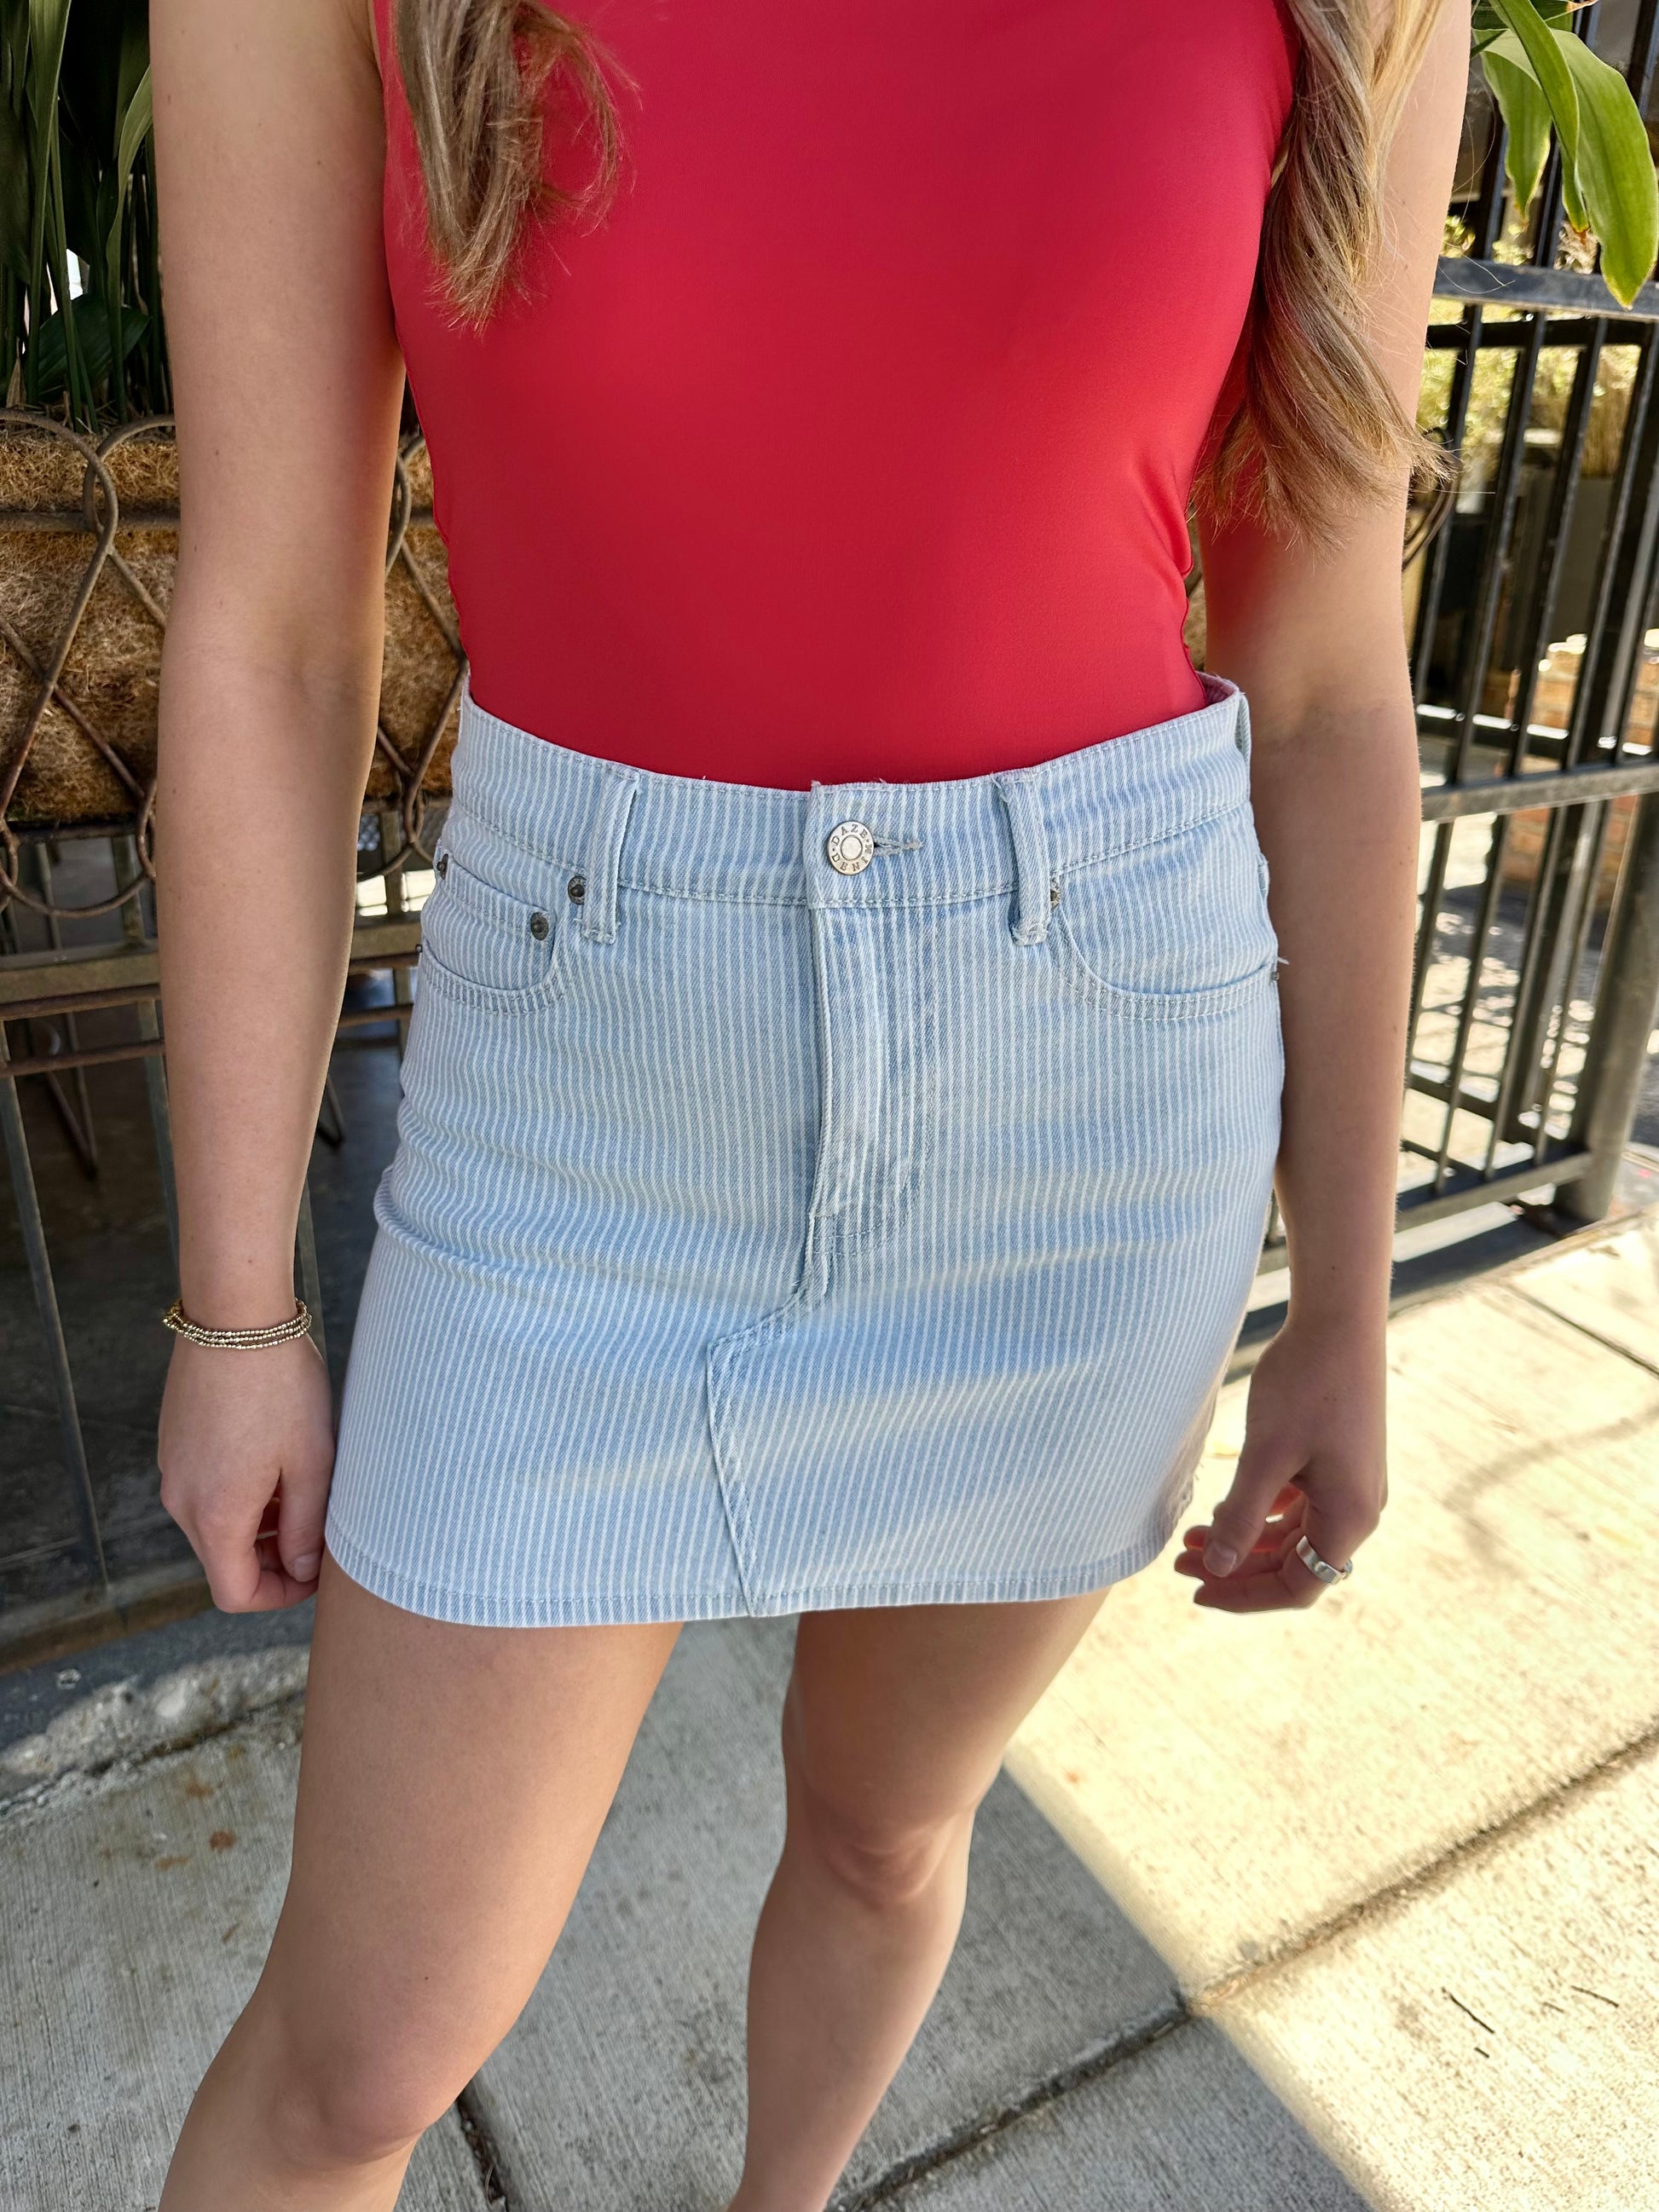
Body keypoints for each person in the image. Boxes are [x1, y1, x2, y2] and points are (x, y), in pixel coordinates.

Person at [149, 1, 1468, 2203]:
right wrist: (233, 1305)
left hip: (1085, 1111)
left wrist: (1346, 1297)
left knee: (885, 1830)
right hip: (579, 1106)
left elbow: (1326, 681)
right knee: (359, 2056)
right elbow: (274, 638)